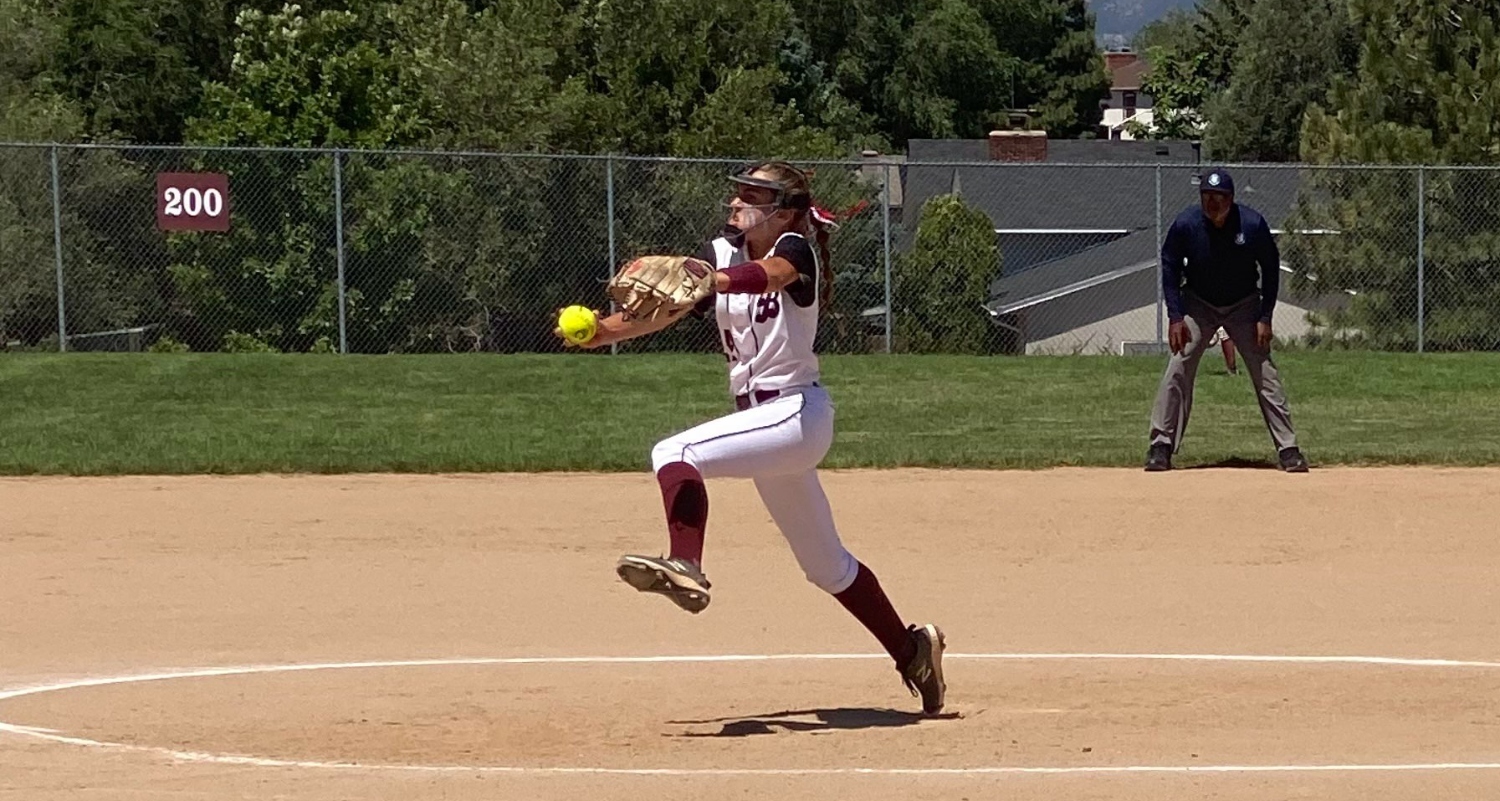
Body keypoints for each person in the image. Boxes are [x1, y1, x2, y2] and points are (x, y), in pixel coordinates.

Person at [554, 161, 948, 715]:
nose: (737, 202)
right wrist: (601, 332)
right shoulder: (721, 253)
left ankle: (685, 563)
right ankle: (914, 652)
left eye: (753, 195)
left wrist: (711, 280)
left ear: (783, 210)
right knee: (826, 567)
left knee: (674, 452)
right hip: (764, 430)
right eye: (738, 192)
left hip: (795, 414)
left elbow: (773, 275)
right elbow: (661, 313)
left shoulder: (796, 248)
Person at [1145, 167, 1309, 473]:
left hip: (1244, 305)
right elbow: (1169, 266)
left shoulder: (1252, 224)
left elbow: (1271, 269)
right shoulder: (1186, 224)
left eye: (1219, 197)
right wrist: (1176, 316)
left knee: (1265, 372)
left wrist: (1265, 315)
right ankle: (1161, 446)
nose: (1212, 203)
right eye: (1207, 196)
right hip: (1198, 304)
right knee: (1179, 365)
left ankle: (1288, 449)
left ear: (1231, 199)